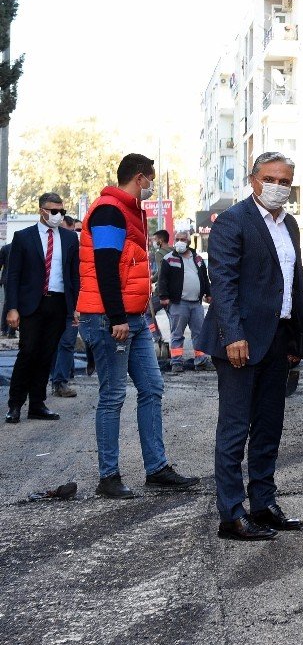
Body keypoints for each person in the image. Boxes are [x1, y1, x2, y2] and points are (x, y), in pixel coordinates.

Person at [198, 151, 303, 542]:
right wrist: (234, 336)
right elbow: (223, 284)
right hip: (240, 342)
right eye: (271, 179)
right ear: (253, 180)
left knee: (269, 427)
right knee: (234, 429)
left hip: (278, 340)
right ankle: (231, 514)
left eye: (285, 181)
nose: (279, 187)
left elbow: (292, 285)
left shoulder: (290, 225)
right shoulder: (233, 222)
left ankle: (263, 502)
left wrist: (295, 338)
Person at [77, 153, 200, 499]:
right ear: (140, 178)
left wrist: (133, 316)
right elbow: (104, 266)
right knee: (113, 395)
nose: (152, 187)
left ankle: (156, 468)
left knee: (151, 386)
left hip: (131, 317)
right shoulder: (109, 211)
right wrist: (116, 317)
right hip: (109, 318)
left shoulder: (129, 213)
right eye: (151, 180)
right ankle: (108, 476)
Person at [4, 193, 80, 423]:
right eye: (54, 211)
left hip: (58, 304)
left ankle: (37, 404)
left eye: (62, 212)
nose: (58, 216)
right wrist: (12, 308)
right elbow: (13, 276)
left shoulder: (69, 239)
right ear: (42, 211)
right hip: (31, 305)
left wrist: (76, 306)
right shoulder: (23, 237)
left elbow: (74, 276)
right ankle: (15, 404)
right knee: (28, 352)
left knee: (47, 355)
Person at [157, 229, 211, 375]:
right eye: (178, 239)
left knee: (199, 333)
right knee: (177, 334)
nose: (180, 242)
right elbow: (163, 280)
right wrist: (163, 297)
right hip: (178, 303)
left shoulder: (197, 258)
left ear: (188, 241)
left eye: (183, 239)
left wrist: (208, 293)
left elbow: (204, 277)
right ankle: (176, 362)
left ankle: (201, 361)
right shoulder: (169, 259)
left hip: (196, 304)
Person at [49, 215, 82, 398]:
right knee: (52, 344)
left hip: (70, 304)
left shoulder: (72, 242)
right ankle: (55, 379)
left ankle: (60, 381)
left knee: (68, 342)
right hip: (50, 303)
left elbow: (77, 276)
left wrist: (78, 305)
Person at [0, 241, 13, 337]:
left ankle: (4, 329)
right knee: (13, 304)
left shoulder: (5, 248)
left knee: (7, 303)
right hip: (15, 280)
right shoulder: (23, 247)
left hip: (6, 279)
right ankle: (10, 331)